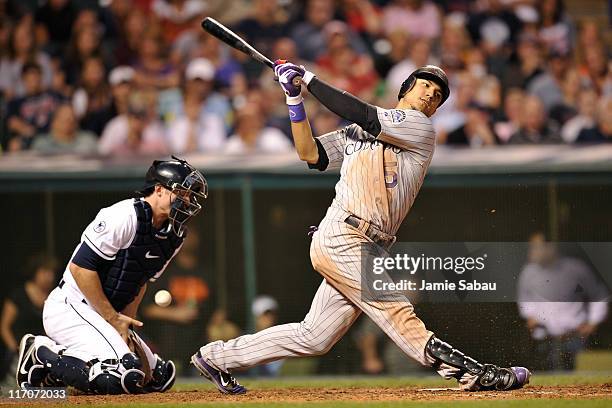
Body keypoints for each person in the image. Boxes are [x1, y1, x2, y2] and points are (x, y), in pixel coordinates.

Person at [190, 62, 531, 394]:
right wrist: (294, 99)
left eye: (438, 94)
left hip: (371, 244)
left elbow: (365, 114)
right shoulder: (357, 133)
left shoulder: (419, 128)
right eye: (424, 85)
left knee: (314, 336)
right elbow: (311, 154)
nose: (431, 93)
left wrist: (308, 80)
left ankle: (215, 357)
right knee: (395, 308)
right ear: (406, 88)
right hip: (343, 235)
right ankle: (472, 374)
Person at [15, 157, 208, 394]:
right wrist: (113, 321)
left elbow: (140, 282)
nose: (187, 200)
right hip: (72, 307)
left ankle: (52, 373)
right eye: (182, 192)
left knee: (157, 378)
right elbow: (81, 269)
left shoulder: (174, 236)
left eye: (189, 195)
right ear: (159, 189)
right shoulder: (123, 215)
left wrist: (125, 328)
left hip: (107, 315)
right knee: (119, 375)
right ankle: (40, 352)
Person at [517, 233, 609, 370]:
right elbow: (524, 300)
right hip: (544, 339)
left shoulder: (575, 268)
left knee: (579, 385)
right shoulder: (528, 272)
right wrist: (530, 316)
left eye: (537, 247)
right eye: (532, 247)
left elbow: (599, 295)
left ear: (551, 248)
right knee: (543, 385)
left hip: (575, 338)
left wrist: (593, 322)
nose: (532, 251)